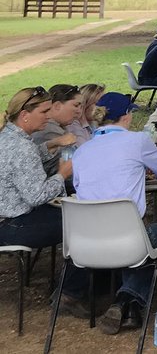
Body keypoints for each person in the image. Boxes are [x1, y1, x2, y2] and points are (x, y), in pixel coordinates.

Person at [72, 92, 157, 333]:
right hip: (129, 239)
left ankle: (128, 307)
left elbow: (80, 187)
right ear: (127, 116)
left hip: (87, 241)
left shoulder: (82, 151)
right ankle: (126, 301)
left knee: (139, 238)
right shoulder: (137, 141)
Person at [0, 87, 88, 316]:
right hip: (13, 225)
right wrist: (63, 174)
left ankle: (84, 281)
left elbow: (26, 164)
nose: (48, 116)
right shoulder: (20, 147)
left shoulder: (9, 136)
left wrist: (51, 143)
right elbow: (36, 195)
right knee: (84, 224)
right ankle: (69, 293)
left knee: (78, 217)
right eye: (44, 111)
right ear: (25, 115)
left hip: (9, 218)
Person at [30, 84, 83, 173]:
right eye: (76, 105)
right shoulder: (48, 130)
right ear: (57, 105)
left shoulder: (56, 127)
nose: (79, 111)